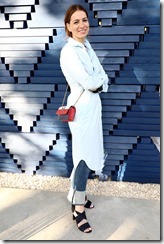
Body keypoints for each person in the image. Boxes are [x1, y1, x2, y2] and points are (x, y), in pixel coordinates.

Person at [60, 4, 109, 233]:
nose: (82, 25)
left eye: (84, 20)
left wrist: (98, 81)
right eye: (76, 21)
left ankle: (77, 194)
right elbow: (91, 82)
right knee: (83, 159)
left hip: (93, 109)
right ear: (68, 26)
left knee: (90, 154)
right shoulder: (69, 52)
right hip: (81, 113)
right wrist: (97, 81)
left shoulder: (87, 46)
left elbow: (103, 78)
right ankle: (78, 208)